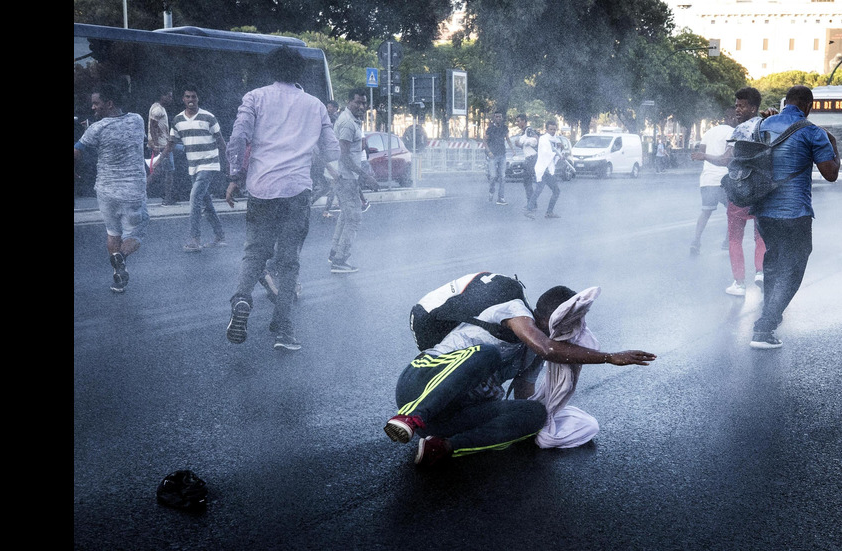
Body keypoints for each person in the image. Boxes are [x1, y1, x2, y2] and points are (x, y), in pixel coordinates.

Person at [383, 272, 657, 467]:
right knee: (487, 354)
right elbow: (546, 348)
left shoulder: (533, 355)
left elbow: (523, 394)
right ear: (544, 314)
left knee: (535, 412)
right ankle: (410, 418)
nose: (568, 328)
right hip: (420, 385)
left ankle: (443, 447)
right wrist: (609, 357)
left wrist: (536, 422)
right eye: (564, 320)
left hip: (447, 418)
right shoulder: (513, 309)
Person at [224, 46, 340, 351]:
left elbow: (238, 138)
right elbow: (331, 151)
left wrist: (236, 176)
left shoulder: (255, 98)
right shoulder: (315, 106)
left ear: (271, 70)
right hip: (297, 191)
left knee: (254, 252)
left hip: (261, 188)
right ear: (299, 72)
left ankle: (241, 300)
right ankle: (283, 328)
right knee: (289, 263)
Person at [747, 85, 839, 349]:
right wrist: (833, 145)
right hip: (795, 212)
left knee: (774, 263)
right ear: (809, 106)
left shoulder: (761, 126)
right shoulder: (813, 132)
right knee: (794, 269)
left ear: (786, 101)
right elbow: (830, 173)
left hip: (764, 211)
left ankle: (767, 319)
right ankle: (765, 326)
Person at [73, 83, 150, 294]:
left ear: (109, 103)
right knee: (136, 233)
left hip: (105, 191)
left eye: (96, 104)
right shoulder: (137, 120)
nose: (93, 108)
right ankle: (121, 257)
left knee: (112, 233)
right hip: (132, 191)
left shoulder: (95, 129)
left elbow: (76, 152)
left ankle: (118, 279)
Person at [167, 85, 228, 252]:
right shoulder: (178, 120)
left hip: (209, 163)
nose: (191, 100)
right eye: (187, 97)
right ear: (183, 99)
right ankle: (220, 235)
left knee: (194, 198)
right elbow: (171, 143)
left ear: (197, 98)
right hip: (193, 166)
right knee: (206, 202)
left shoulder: (208, 117)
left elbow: (221, 142)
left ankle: (195, 239)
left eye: (193, 97)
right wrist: (158, 160)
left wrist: (229, 164)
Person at [328, 88, 379, 274]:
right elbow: (344, 157)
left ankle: (335, 252)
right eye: (357, 102)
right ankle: (340, 260)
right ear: (349, 102)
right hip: (344, 176)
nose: (361, 106)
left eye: (364, 103)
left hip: (346, 176)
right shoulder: (348, 123)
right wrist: (366, 177)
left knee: (346, 215)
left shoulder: (353, 120)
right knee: (354, 219)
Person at [689, 111, 734, 257]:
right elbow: (728, 158)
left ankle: (696, 240)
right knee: (732, 211)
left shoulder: (709, 132)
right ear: (731, 117)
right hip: (724, 179)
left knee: (706, 212)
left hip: (707, 179)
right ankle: (727, 242)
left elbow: (701, 154)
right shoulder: (733, 132)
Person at [146, 88, 176, 206]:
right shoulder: (158, 109)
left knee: (158, 171)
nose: (170, 99)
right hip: (163, 145)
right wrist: (156, 144)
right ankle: (167, 198)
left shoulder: (156, 107)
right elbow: (153, 127)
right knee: (169, 171)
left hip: (163, 144)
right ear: (162, 96)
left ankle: (143, 191)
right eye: (168, 96)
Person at [527, 120, 562, 219]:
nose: (552, 131)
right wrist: (557, 153)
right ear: (546, 129)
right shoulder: (543, 139)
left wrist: (561, 150)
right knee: (538, 190)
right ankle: (528, 209)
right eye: (550, 129)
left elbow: (556, 153)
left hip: (550, 170)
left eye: (554, 129)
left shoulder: (555, 139)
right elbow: (547, 153)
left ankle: (549, 212)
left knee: (556, 191)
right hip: (543, 169)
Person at [483, 111, 513, 205]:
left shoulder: (504, 128)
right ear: (494, 118)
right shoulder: (490, 128)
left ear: (502, 118)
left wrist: (513, 149)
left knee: (502, 177)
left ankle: (501, 198)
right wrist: (489, 152)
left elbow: (507, 139)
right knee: (493, 176)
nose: (498, 118)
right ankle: (491, 191)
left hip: (502, 155)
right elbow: (485, 141)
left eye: (500, 117)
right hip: (493, 156)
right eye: (497, 117)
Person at [511, 114, 539, 209]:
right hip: (529, 158)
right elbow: (525, 146)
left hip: (532, 158)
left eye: (519, 121)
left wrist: (523, 142)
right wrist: (519, 144)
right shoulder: (524, 132)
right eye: (517, 121)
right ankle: (532, 203)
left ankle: (531, 204)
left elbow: (536, 140)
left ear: (524, 121)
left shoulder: (528, 130)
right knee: (527, 182)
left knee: (527, 181)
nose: (518, 123)